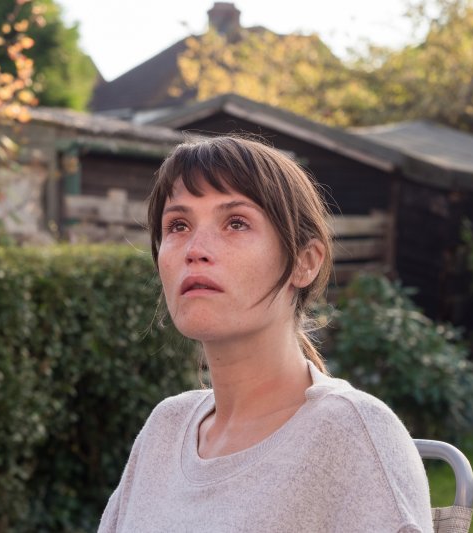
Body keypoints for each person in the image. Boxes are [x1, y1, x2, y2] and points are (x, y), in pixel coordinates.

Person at [98, 136, 432, 533]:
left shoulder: (352, 435)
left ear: (305, 263)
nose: (195, 249)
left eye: (236, 223)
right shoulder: (165, 427)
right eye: (178, 225)